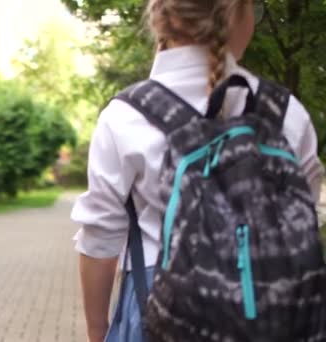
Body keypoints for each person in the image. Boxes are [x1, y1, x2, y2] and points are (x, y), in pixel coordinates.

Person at [70, 1, 324, 342]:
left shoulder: (125, 116)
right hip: (275, 309)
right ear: (239, 15)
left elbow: (101, 239)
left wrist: (98, 331)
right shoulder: (286, 114)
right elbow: (306, 218)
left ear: (161, 19)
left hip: (157, 306)